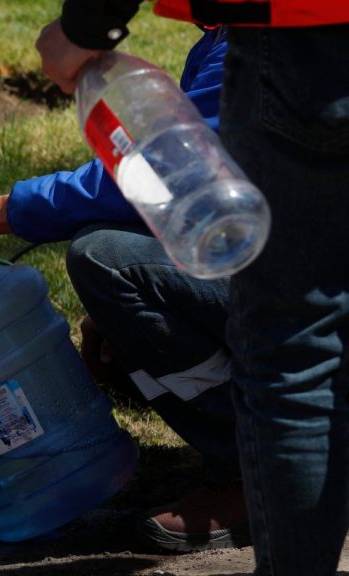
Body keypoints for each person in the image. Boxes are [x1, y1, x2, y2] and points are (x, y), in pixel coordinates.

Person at [0, 26, 248, 552]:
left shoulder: (262, 42)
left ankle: (258, 473)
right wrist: (123, 309)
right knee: (121, 288)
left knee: (104, 259)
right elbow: (196, 193)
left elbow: (161, 175)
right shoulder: (230, 35)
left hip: (314, 279)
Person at [34, 2, 349, 574]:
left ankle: (247, 482)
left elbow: (162, 176)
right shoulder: (211, 48)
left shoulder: (237, 46)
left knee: (292, 352)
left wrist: (85, 26)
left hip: (307, 33)